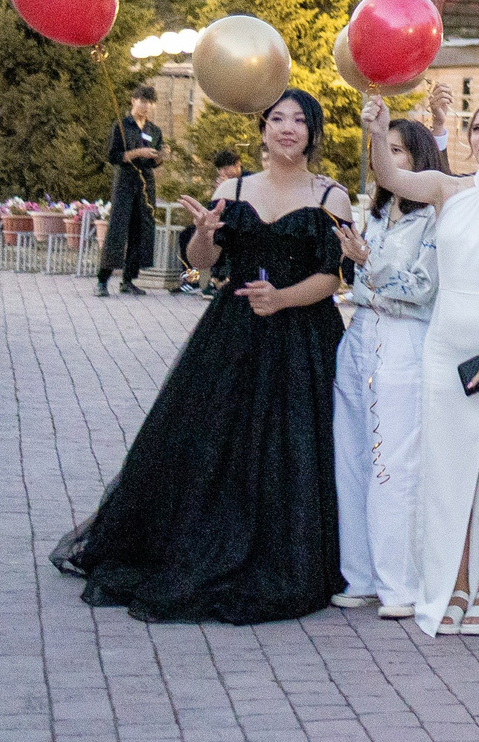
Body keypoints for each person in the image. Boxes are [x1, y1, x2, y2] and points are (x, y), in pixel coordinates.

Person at [54, 89, 351, 622]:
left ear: (313, 131)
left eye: (299, 121)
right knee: (216, 440)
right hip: (234, 331)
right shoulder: (232, 188)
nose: (287, 128)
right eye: (277, 119)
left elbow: (333, 278)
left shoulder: (333, 197)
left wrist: (282, 298)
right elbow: (199, 265)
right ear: (262, 129)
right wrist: (204, 236)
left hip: (303, 336)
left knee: (293, 447)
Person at [365, 93, 479, 638]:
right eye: (478, 127)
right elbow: (392, 177)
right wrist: (377, 132)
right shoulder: (448, 190)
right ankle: (452, 583)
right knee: (449, 471)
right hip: (443, 343)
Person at [329, 116, 445, 618]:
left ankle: (399, 584)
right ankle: (359, 575)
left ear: (420, 161)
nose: (389, 161)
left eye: (398, 151)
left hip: (404, 341)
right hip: (359, 332)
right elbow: (363, 282)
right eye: (384, 150)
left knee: (392, 462)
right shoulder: (373, 214)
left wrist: (367, 262)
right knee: (352, 457)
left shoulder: (436, 217)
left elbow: (420, 288)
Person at [97, 84, 164, 296]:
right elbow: (114, 156)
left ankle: (129, 279)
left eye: (149, 103)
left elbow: (154, 161)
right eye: (142, 102)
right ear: (133, 100)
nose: (146, 107)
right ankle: (103, 279)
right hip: (125, 181)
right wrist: (137, 152)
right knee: (118, 228)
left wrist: (161, 156)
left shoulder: (154, 130)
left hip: (145, 182)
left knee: (141, 229)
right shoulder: (121, 126)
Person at [178, 150, 245, 296]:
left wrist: (231, 187)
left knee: (221, 237)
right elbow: (213, 208)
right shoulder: (221, 183)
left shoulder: (247, 180)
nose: (222, 172)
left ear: (237, 165)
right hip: (218, 222)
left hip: (237, 226)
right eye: (219, 169)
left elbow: (247, 207)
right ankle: (191, 280)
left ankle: (218, 280)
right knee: (185, 235)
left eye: (226, 168)